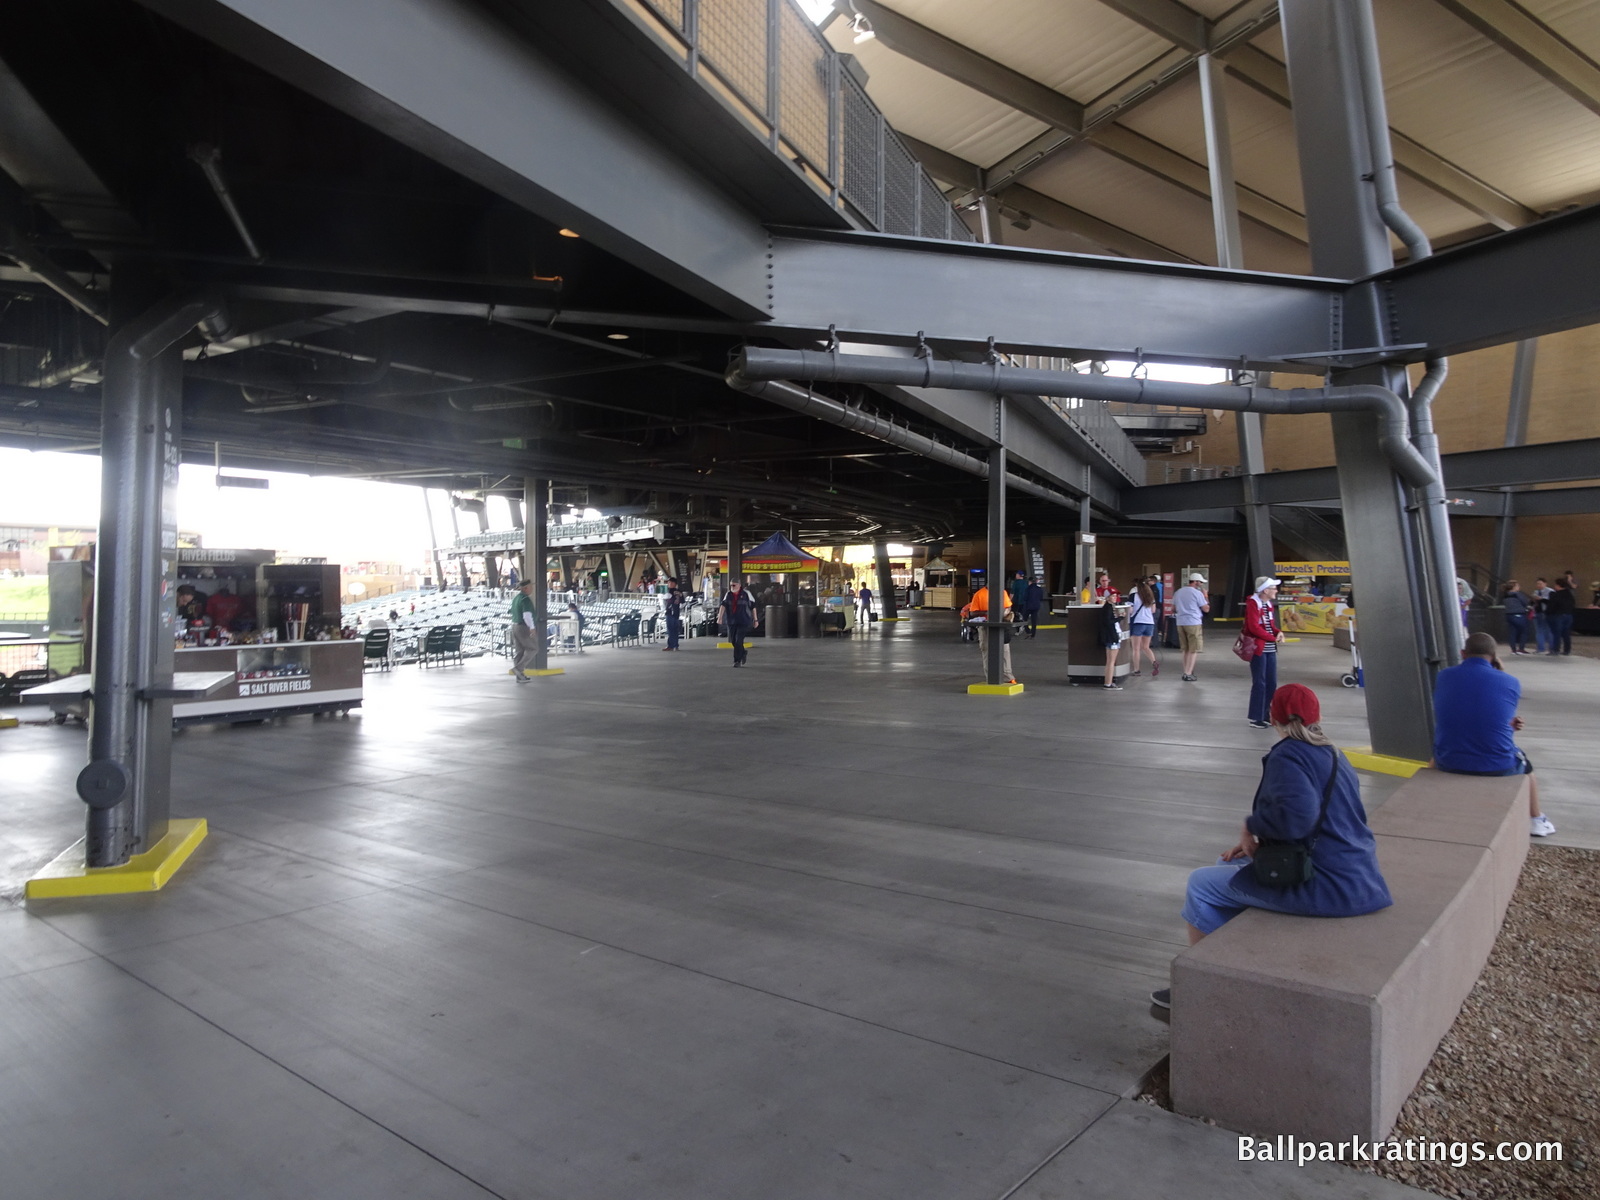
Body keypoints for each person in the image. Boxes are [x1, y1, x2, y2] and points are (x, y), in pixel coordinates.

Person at [1151, 684, 1393, 1008]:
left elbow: (1300, 816)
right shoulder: (1333, 753)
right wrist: (1260, 841)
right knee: (1226, 867)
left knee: (1200, 885)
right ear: (1317, 717)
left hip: (1328, 886)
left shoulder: (1290, 754)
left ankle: (1197, 990)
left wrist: (1250, 827)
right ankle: (1235, 964)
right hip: (1359, 877)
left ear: (1273, 717)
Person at [1433, 631, 1556, 837]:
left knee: (1438, 750)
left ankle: (1431, 804)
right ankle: (1536, 819)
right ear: (1494, 655)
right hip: (1496, 764)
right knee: (1528, 768)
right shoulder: (1511, 682)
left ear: (1463, 653)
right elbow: (1495, 716)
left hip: (1448, 760)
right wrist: (1500, 670)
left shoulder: (1444, 676)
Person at [1244, 577, 1283, 728]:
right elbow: (1253, 627)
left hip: (1270, 648)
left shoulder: (1268, 604)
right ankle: (1256, 717)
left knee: (1271, 682)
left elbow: (1270, 624)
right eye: (1274, 588)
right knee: (1260, 682)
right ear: (1265, 590)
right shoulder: (1253, 604)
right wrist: (1272, 637)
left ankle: (1267, 714)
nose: (1276, 591)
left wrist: (1278, 632)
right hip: (1258, 648)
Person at [967, 580, 1014, 683]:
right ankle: (990, 677)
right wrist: (988, 612)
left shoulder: (1002, 592)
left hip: (1001, 624)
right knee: (986, 650)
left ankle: (1008, 676)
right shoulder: (979, 594)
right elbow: (972, 613)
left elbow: (1008, 606)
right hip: (985, 626)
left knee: (1005, 649)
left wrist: (1005, 613)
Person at [1174, 572, 1209, 681]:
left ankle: (1185, 670)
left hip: (1180, 622)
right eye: (1200, 582)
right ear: (1196, 582)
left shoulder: (1178, 592)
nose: (1201, 584)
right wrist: (1205, 595)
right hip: (1193, 622)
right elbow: (1206, 609)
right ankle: (1188, 673)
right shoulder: (1197, 593)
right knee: (1193, 649)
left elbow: (1173, 608)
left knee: (1185, 649)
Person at [717, 580, 760, 667]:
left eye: (734, 585)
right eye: (731, 585)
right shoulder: (728, 594)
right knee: (733, 641)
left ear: (739, 585)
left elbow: (753, 607)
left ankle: (737, 660)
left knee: (738, 640)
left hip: (743, 621)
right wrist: (720, 617)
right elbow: (723, 606)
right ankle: (743, 652)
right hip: (731, 621)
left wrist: (755, 620)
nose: (732, 587)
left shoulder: (746, 594)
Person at [1125, 577, 1157, 677]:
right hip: (1150, 623)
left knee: (1136, 649)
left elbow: (1130, 610)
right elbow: (1153, 610)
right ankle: (1154, 662)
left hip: (1138, 623)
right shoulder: (1151, 596)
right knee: (1146, 647)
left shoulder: (1133, 596)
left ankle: (1136, 670)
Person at [509, 579, 538, 683]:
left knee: (519, 651)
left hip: (515, 626)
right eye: (531, 587)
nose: (532, 589)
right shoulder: (525, 599)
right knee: (533, 648)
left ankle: (520, 676)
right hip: (523, 627)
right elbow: (527, 615)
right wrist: (532, 627)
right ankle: (518, 669)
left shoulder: (516, 598)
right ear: (526, 588)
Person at [1098, 593, 1123, 690]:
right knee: (1111, 661)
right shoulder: (1108, 609)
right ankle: (1108, 683)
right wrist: (1119, 618)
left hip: (1111, 636)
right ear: (1107, 598)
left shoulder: (1109, 607)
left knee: (1110, 661)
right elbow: (1108, 622)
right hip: (1111, 637)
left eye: (1115, 596)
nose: (1115, 598)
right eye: (1112, 596)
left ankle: (1109, 682)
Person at [1544, 577, 1575, 656]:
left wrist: (1547, 613)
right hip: (1568, 615)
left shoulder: (1556, 595)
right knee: (1566, 634)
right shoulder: (1569, 594)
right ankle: (1567, 650)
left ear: (1558, 585)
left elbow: (1551, 606)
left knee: (1556, 633)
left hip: (1557, 616)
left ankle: (1555, 649)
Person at [1500, 580, 1532, 654]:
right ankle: (1521, 648)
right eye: (1518, 585)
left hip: (1509, 615)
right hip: (1519, 614)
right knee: (1524, 631)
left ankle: (1513, 650)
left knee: (1512, 632)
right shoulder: (1517, 594)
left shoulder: (1505, 595)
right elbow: (1525, 602)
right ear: (1514, 587)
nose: (1519, 587)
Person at [1531, 577, 1553, 652]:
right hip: (1537, 612)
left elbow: (1550, 601)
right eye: (1537, 584)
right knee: (1539, 630)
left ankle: (1552, 647)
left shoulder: (1550, 591)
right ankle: (1540, 648)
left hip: (1546, 612)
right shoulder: (1536, 592)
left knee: (1548, 630)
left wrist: (1541, 598)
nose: (1539, 585)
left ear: (1545, 584)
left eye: (1540, 584)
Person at [662, 581, 684, 651]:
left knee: (670, 630)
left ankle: (671, 645)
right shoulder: (680, 592)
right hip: (676, 612)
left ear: (674, 584)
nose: (669, 584)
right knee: (675, 630)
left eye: (670, 583)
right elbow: (683, 603)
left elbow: (664, 597)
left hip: (670, 612)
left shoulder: (670, 591)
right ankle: (675, 645)